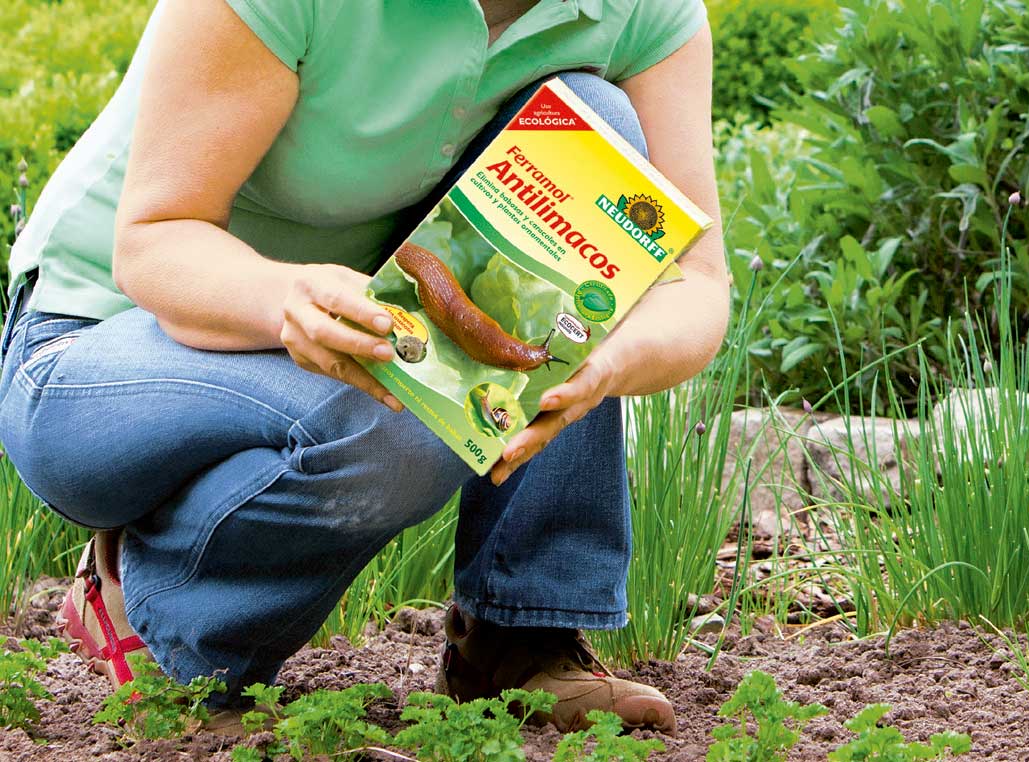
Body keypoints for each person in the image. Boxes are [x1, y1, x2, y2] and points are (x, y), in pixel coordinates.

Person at [0, 0, 729, 734]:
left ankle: (517, 639)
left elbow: (697, 284)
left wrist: (608, 362)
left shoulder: (642, 12)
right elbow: (155, 240)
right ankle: (173, 635)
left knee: (595, 117)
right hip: (101, 343)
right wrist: (283, 296)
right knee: (404, 427)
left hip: (349, 331)